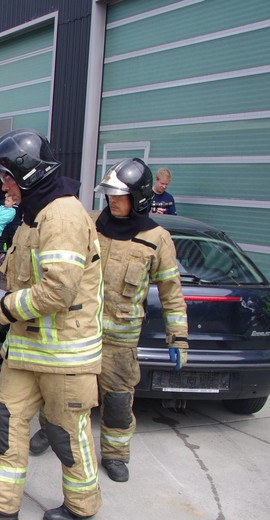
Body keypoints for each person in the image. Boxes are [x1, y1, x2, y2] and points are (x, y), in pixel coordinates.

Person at [0, 129, 103, 520]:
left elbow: (57, 291)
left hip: (65, 355)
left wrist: (2, 309)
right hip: (25, 349)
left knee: (65, 434)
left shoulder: (62, 216)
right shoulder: (32, 215)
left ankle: (82, 504)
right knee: (5, 421)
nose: (3, 186)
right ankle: (2, 505)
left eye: (7, 177)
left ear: (28, 174)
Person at [91, 158, 187, 482]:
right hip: (81, 332)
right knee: (66, 393)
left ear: (139, 198)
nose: (112, 200)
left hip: (120, 343)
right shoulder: (93, 225)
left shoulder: (157, 238)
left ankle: (115, 455)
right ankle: (54, 433)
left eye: (121, 195)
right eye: (110, 194)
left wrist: (178, 337)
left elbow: (171, 292)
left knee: (118, 401)